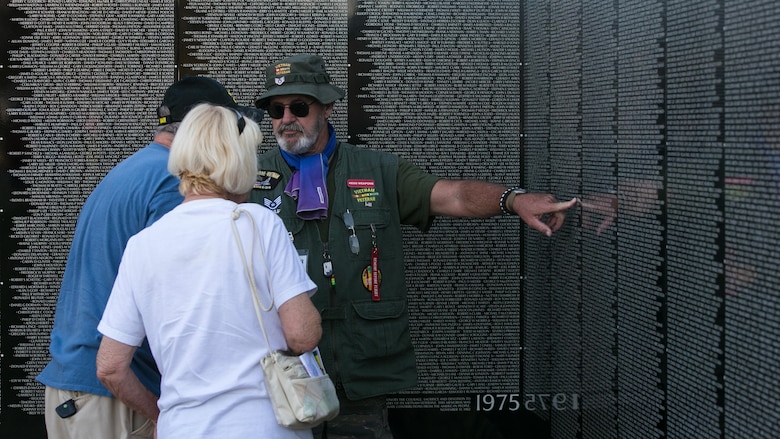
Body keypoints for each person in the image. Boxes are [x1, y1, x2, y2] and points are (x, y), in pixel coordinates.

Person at [249, 54, 579, 438]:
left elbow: (452, 195)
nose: (286, 119)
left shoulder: (377, 170)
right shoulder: (249, 180)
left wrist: (513, 199)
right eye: (275, 109)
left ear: (327, 107)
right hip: (282, 376)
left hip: (361, 374)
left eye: (299, 107)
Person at [36, 76, 262, 439]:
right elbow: (191, 303)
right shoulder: (173, 182)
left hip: (80, 389)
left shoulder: (134, 169)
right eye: (229, 128)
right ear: (202, 129)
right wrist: (160, 414)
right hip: (116, 392)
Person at [95, 103, 321, 438]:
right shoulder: (259, 223)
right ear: (239, 160)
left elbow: (110, 367)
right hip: (264, 426)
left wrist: (158, 413)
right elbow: (302, 335)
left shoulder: (142, 244)